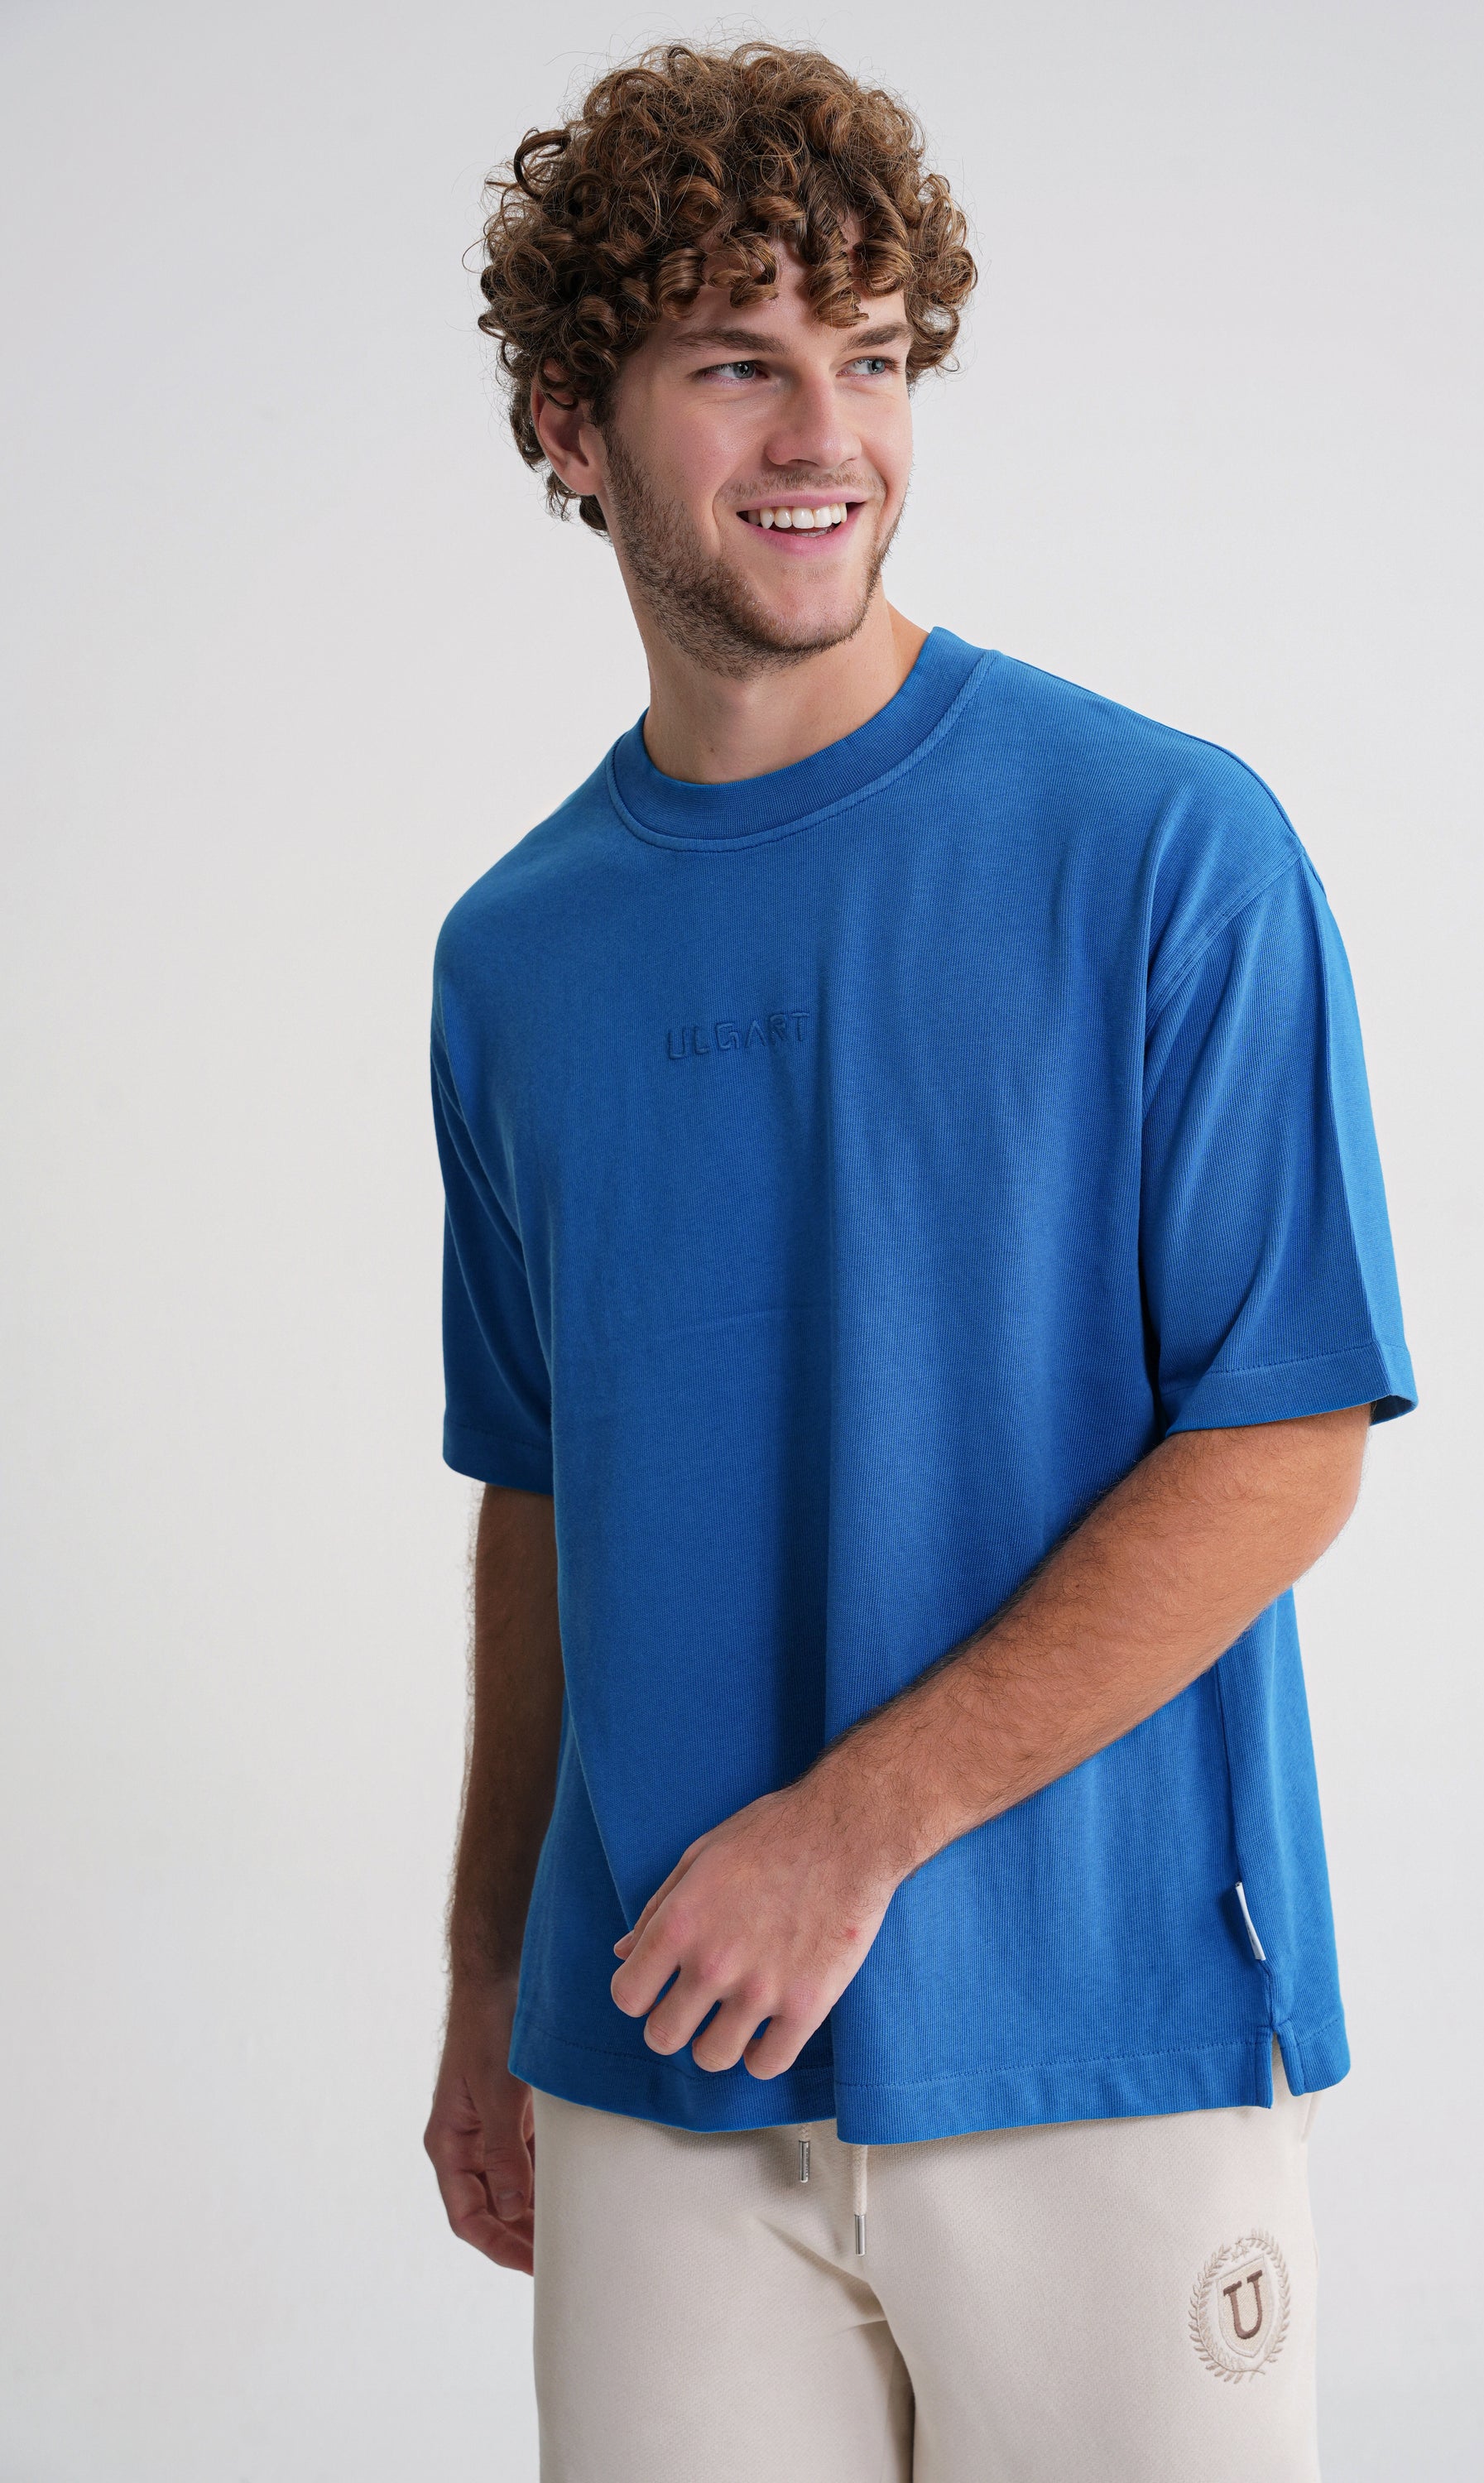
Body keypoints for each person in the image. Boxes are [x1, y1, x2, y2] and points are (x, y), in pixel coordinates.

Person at [421, 40, 1415, 2482]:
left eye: (868, 359)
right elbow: (539, 1492)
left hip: (1095, 2031)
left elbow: (1287, 1443)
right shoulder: (513, 954)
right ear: (569, 424)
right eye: (734, 363)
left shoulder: (1165, 849)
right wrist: (487, 1973)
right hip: (659, 2044)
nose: (824, 438)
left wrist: (840, 1839)